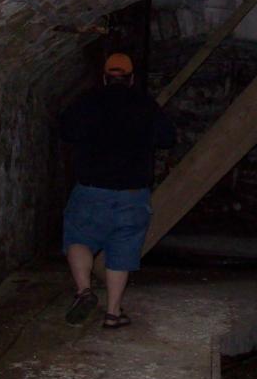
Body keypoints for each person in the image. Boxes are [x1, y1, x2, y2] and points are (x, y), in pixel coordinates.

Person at [58, 52, 175, 329]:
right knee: (122, 251)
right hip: (132, 194)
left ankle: (84, 290)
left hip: (91, 190)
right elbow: (167, 138)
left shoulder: (87, 101)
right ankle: (112, 314)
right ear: (131, 79)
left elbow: (65, 132)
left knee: (78, 238)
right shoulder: (146, 105)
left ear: (104, 78)